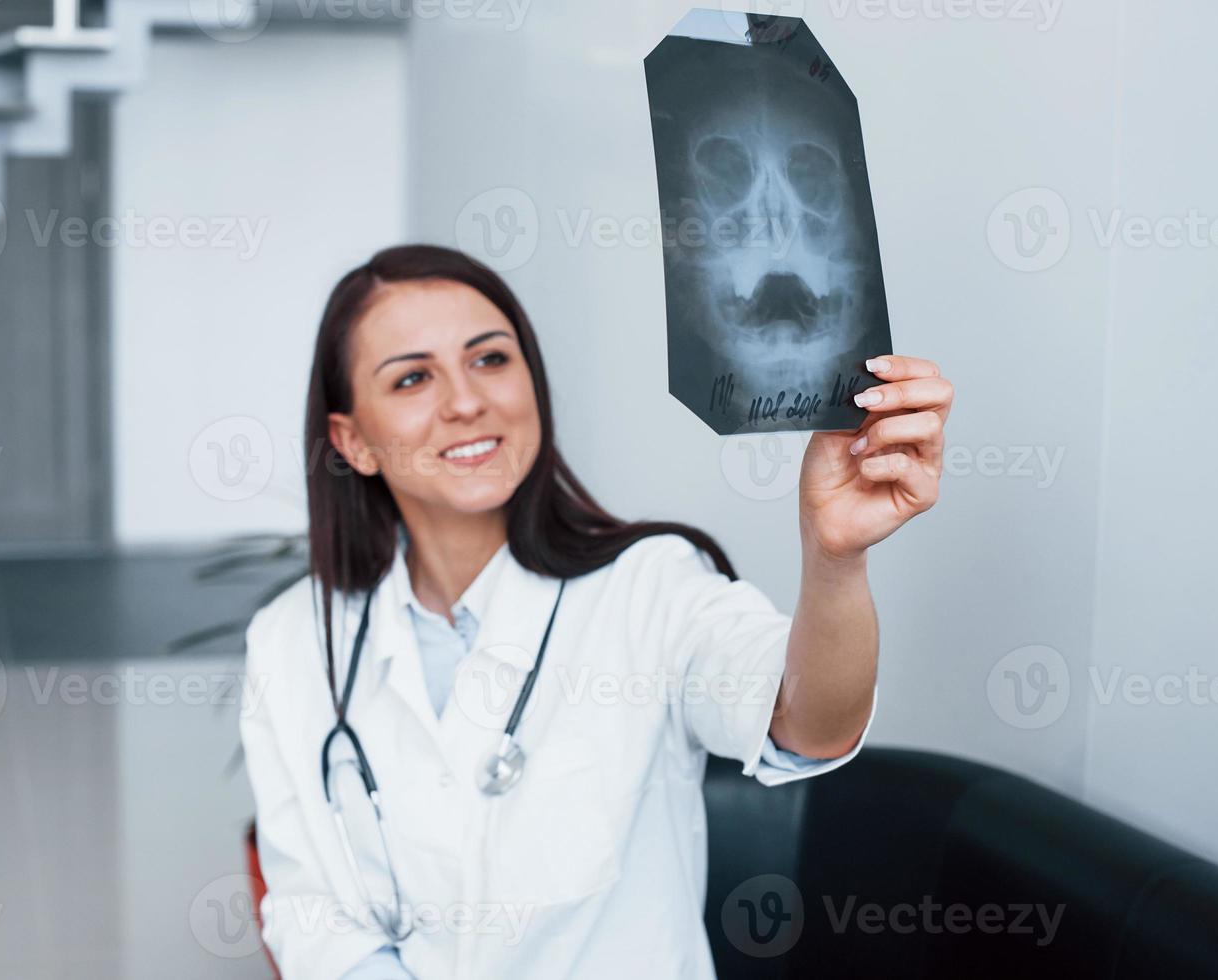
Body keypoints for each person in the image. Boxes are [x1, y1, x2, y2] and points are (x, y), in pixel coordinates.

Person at [239, 244, 953, 978]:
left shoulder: (649, 586)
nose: (464, 401)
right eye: (414, 377)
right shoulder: (294, 641)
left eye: (490, 360)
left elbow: (808, 725)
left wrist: (834, 559)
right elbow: (314, 921)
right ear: (352, 442)